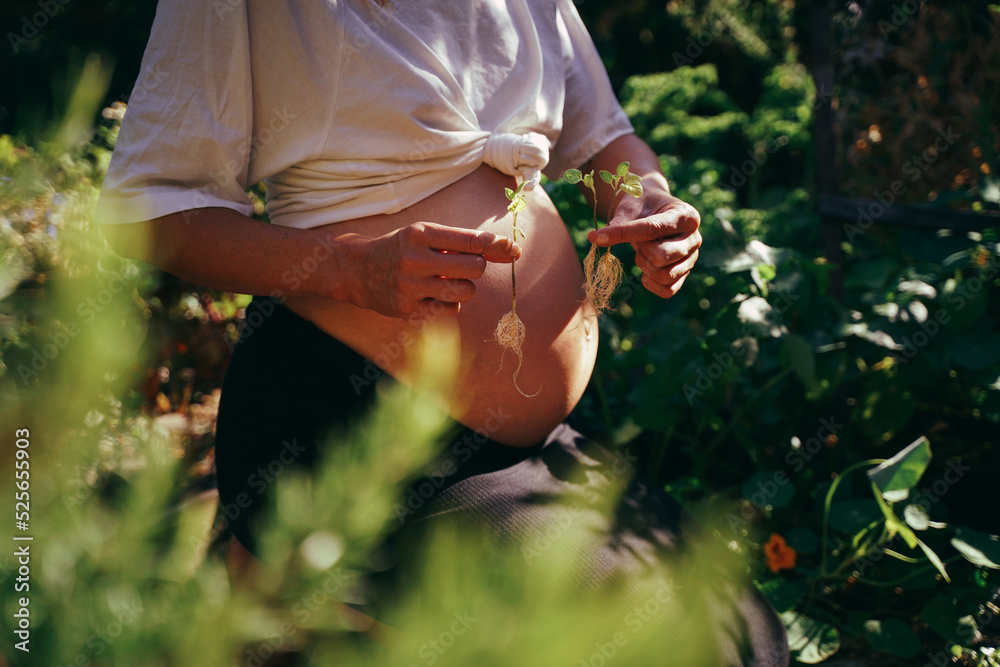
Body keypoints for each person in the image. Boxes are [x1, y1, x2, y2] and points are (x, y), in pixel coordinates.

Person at [97, 0, 788, 663]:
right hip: (357, 421)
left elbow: (601, 142)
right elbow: (150, 210)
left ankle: (260, 589)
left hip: (527, 446)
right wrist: (346, 271)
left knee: (742, 627)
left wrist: (644, 199)